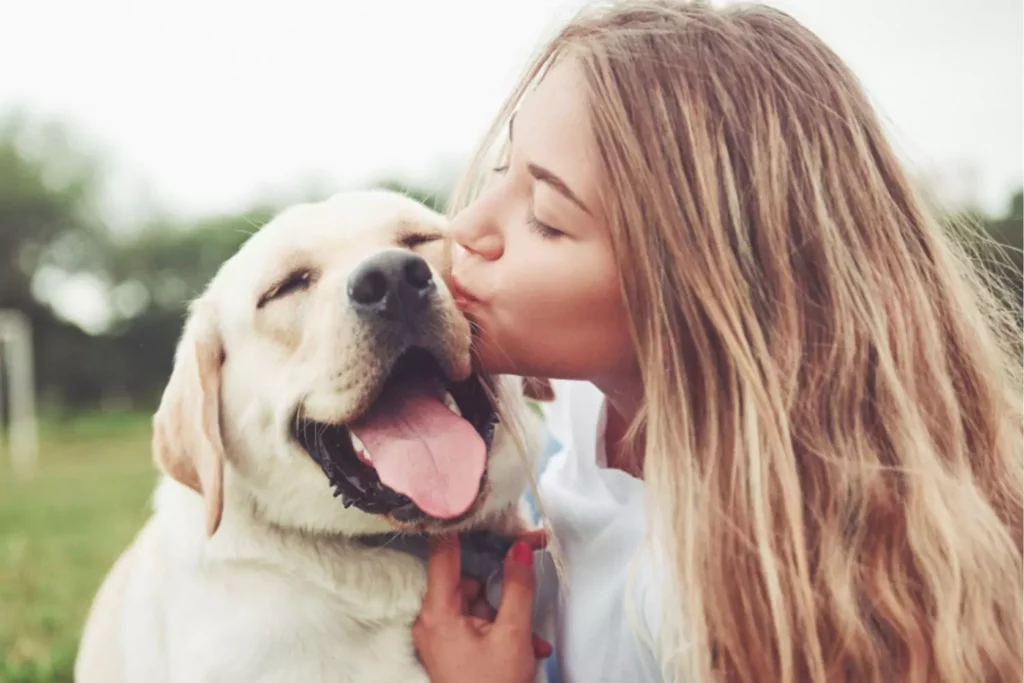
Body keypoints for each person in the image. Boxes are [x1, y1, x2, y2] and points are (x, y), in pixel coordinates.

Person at [410, 2, 1024, 682]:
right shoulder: (593, 400)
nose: (464, 226)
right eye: (504, 170)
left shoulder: (723, 607)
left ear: (691, 294)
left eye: (548, 219)